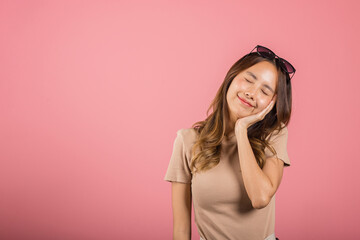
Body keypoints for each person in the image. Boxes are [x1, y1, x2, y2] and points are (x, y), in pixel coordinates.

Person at [164, 45, 296, 240]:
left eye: (265, 91)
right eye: (249, 80)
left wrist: (241, 130)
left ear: (273, 103)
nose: (251, 92)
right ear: (232, 77)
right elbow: (181, 231)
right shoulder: (187, 141)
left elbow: (260, 198)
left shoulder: (274, 135)